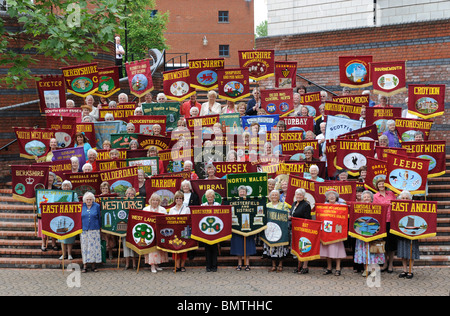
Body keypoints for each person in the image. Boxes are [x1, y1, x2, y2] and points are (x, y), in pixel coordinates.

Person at [354, 190, 385, 277]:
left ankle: (374, 270)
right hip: (362, 232)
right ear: (362, 199)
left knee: (373, 252)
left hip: (374, 232)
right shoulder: (358, 207)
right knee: (364, 251)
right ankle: (365, 269)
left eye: (368, 197)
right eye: (365, 197)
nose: (366, 198)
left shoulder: (377, 207)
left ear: (371, 199)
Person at [321, 188, 347, 276]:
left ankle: (338, 268)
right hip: (327, 231)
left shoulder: (341, 206)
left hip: (337, 231)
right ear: (327, 198)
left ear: (336, 197)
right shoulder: (323, 206)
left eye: (333, 196)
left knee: (337, 249)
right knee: (327, 250)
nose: (331, 197)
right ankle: (329, 268)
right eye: (329, 196)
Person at [373, 178, 397, 273]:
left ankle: (391, 264)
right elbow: (374, 209)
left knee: (392, 245)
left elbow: (396, 205)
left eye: (383, 184)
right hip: (382, 222)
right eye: (379, 184)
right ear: (377, 186)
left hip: (392, 221)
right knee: (384, 245)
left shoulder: (391, 194)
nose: (381, 185)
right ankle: (385, 264)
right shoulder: (375, 196)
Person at [230, 186, 256, 271]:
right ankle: (239, 264)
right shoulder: (234, 202)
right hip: (237, 227)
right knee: (238, 245)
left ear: (246, 192)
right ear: (238, 192)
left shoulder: (251, 202)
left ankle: (247, 264)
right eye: (240, 191)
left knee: (248, 245)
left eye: (243, 191)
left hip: (248, 227)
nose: (242, 193)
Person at [264, 190, 290, 272]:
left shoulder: (283, 205)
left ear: (279, 197)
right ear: (270, 197)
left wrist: (287, 216)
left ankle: (280, 265)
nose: (274, 196)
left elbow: (288, 215)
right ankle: (273, 265)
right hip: (270, 229)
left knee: (280, 247)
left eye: (276, 195)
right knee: (271, 246)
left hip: (281, 229)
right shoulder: (267, 205)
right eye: (273, 195)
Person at [143, 193, 169, 272]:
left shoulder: (163, 210)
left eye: (157, 200)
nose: (155, 202)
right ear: (150, 201)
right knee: (151, 249)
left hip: (159, 232)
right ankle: (152, 266)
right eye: (153, 200)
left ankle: (157, 264)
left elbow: (165, 220)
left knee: (158, 249)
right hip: (149, 232)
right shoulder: (145, 209)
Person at [396, 190, 419, 279]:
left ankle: (410, 270)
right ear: (399, 199)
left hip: (412, 232)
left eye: (407, 198)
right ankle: (404, 270)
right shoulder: (397, 207)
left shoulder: (415, 206)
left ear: (410, 199)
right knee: (403, 252)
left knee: (411, 252)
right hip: (401, 232)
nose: (405, 199)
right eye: (403, 198)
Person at [289, 188, 312, 274]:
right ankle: (298, 266)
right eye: (297, 194)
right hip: (294, 229)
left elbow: (307, 218)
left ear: (303, 196)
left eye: (300, 195)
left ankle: (305, 267)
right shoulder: (294, 203)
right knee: (297, 247)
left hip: (303, 229)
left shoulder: (306, 205)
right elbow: (292, 214)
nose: (298, 196)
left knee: (304, 247)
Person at [168, 191, 191, 272]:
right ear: (175, 199)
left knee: (184, 249)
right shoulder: (171, 210)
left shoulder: (187, 209)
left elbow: (189, 220)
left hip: (184, 231)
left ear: (183, 199)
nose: (179, 200)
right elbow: (169, 221)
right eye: (177, 198)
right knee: (175, 249)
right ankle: (177, 266)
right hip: (174, 232)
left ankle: (182, 266)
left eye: (180, 198)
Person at [80, 192, 102, 272]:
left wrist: (100, 227)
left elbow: (99, 217)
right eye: (87, 199)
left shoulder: (97, 206)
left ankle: (93, 266)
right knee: (85, 247)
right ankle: (85, 266)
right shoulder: (81, 206)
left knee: (94, 248)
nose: (89, 201)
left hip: (94, 229)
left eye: (90, 199)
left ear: (93, 200)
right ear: (84, 200)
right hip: (84, 229)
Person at [201, 189, 221, 272]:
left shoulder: (218, 205)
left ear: (213, 197)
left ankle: (214, 266)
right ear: (206, 197)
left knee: (214, 249)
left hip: (215, 230)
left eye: (211, 197)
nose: (210, 198)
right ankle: (208, 266)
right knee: (207, 249)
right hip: (206, 231)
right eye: (208, 197)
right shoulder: (202, 206)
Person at [58, 180, 78, 260]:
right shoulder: (59, 194)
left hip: (70, 217)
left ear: (70, 187)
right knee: (61, 236)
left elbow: (76, 203)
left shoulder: (74, 194)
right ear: (62, 187)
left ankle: (69, 254)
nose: (66, 187)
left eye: (67, 186)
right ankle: (63, 254)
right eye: (64, 186)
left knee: (70, 236)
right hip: (60, 217)